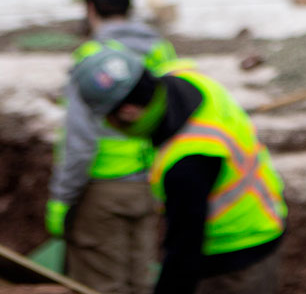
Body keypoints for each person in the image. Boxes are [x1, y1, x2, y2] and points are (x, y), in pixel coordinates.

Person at [71, 42, 286, 294]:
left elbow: (184, 254)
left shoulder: (187, 161)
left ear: (128, 113)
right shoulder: (186, 78)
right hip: (261, 221)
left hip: (235, 255)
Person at [48, 0, 178, 294]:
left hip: (101, 190)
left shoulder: (93, 57)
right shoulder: (161, 51)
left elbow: (79, 140)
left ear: (91, 9)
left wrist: (62, 198)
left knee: (102, 285)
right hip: (149, 185)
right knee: (140, 282)